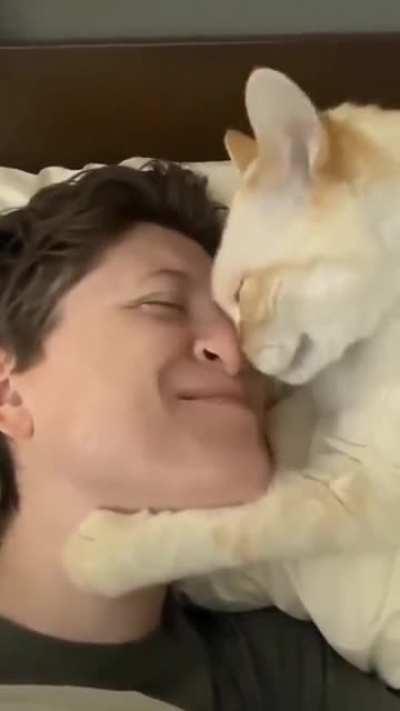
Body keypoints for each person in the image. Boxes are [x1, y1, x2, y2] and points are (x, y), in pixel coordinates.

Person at [0, 161, 397, 711]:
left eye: (242, 328)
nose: (235, 353)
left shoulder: (286, 674)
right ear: (9, 393)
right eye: (162, 304)